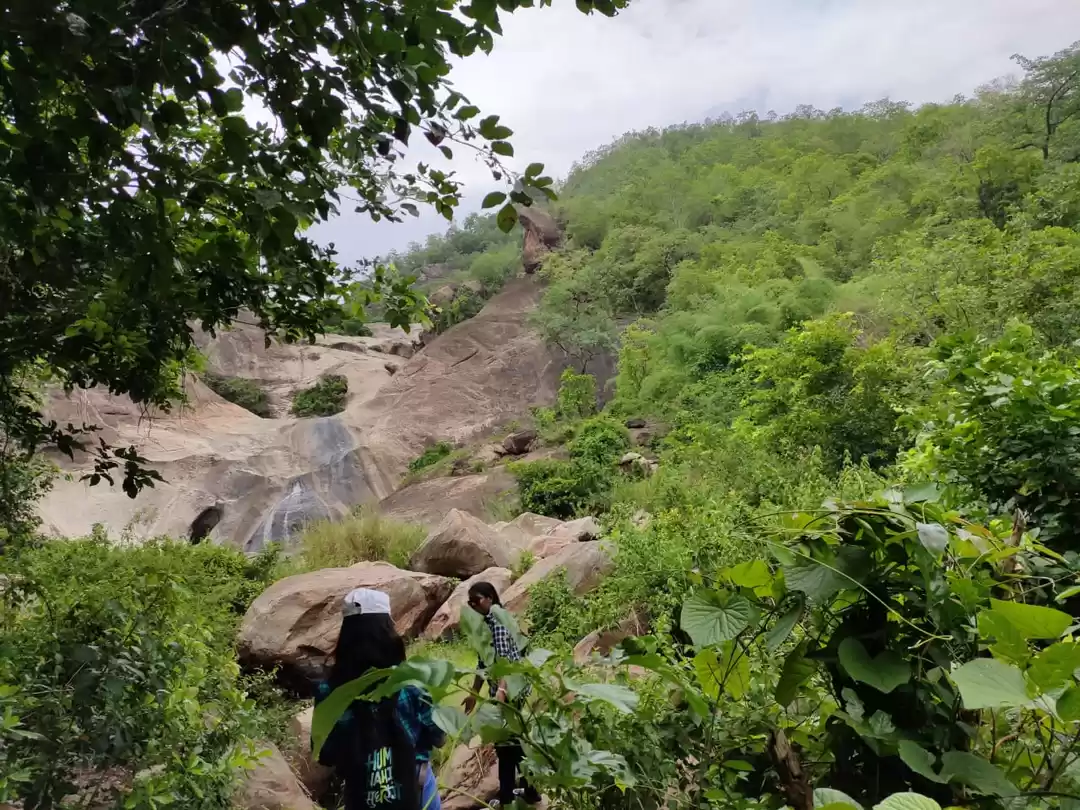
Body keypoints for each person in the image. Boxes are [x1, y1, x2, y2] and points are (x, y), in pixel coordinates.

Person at [314, 588, 445, 810]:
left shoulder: (329, 691)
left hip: (361, 795)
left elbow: (325, 755)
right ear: (387, 629)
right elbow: (438, 736)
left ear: (346, 633)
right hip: (416, 790)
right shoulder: (411, 681)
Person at [461, 581, 541, 808]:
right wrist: (474, 694)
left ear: (488, 598)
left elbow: (504, 662)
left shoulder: (496, 621)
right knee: (509, 742)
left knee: (508, 744)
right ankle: (524, 791)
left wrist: (502, 694)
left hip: (510, 689)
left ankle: (514, 793)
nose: (473, 606)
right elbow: (483, 661)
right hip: (505, 689)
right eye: (470, 602)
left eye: (476, 600)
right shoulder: (484, 625)